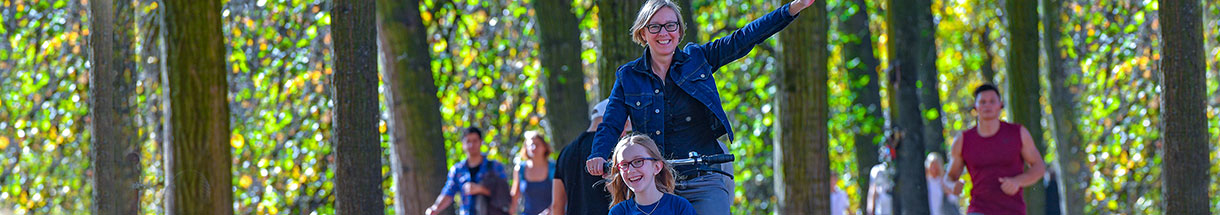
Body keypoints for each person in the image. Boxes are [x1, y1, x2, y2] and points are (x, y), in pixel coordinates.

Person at [584, 0, 818, 214]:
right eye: (654, 27)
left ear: (680, 31)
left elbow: (743, 38)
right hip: (659, 182)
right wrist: (598, 154)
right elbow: (612, 123)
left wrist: (790, 9)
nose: (663, 33)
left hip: (704, 178)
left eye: (670, 26)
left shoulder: (698, 59)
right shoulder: (628, 76)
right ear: (643, 32)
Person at [946, 84, 1047, 215]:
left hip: (1013, 210)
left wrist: (1018, 181)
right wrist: (952, 186)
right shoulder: (963, 140)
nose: (987, 105)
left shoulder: (1018, 133)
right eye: (982, 102)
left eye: (992, 101)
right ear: (975, 107)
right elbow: (948, 177)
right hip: (978, 209)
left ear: (1000, 105)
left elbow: (1039, 167)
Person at [552, 99, 632, 215]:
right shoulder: (613, 148)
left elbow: (556, 205)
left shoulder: (566, 152)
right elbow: (621, 194)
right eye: (624, 124)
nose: (624, 132)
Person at [428, 127, 511, 215]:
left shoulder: (494, 166)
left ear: (481, 142)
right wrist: (435, 208)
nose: (471, 145)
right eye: (468, 141)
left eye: (475, 141)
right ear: (463, 144)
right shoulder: (457, 170)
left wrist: (480, 189)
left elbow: (505, 193)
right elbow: (448, 193)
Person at [607, 134, 696, 215]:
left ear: (657, 167)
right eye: (624, 165)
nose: (630, 170)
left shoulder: (680, 207)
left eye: (638, 161)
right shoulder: (618, 212)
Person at [510, 131, 555, 215]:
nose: (533, 148)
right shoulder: (520, 169)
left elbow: (562, 195)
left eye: (537, 144)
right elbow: (515, 196)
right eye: (530, 145)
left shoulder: (553, 168)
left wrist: (549, 211)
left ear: (544, 147)